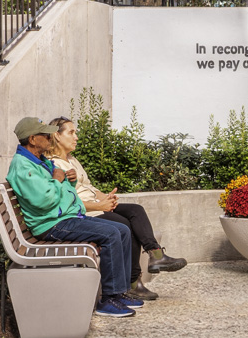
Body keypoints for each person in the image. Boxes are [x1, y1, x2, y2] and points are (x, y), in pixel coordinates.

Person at [0, 117, 140, 318]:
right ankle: (108, 300)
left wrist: (68, 180)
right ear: (33, 139)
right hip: (52, 225)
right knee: (111, 234)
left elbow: (57, 190)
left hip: (65, 218)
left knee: (122, 230)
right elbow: (45, 200)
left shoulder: (38, 160)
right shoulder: (23, 167)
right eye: (45, 135)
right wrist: (58, 178)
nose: (49, 138)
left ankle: (119, 292)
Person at [47, 116, 186, 300]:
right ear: (57, 135)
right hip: (85, 213)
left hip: (97, 205)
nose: (76, 137)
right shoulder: (54, 164)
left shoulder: (72, 160)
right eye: (71, 132)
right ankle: (133, 283)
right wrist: (99, 205)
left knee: (136, 211)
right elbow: (66, 202)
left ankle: (156, 254)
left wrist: (105, 197)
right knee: (125, 225)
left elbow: (88, 186)